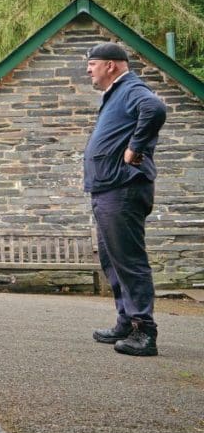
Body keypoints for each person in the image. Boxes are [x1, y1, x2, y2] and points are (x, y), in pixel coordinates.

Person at [83, 42, 167, 356]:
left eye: (93, 64)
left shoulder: (131, 88)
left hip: (124, 187)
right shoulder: (116, 94)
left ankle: (144, 331)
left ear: (112, 65)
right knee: (111, 258)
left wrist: (135, 147)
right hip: (108, 188)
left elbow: (155, 109)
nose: (89, 70)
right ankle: (126, 321)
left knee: (129, 260)